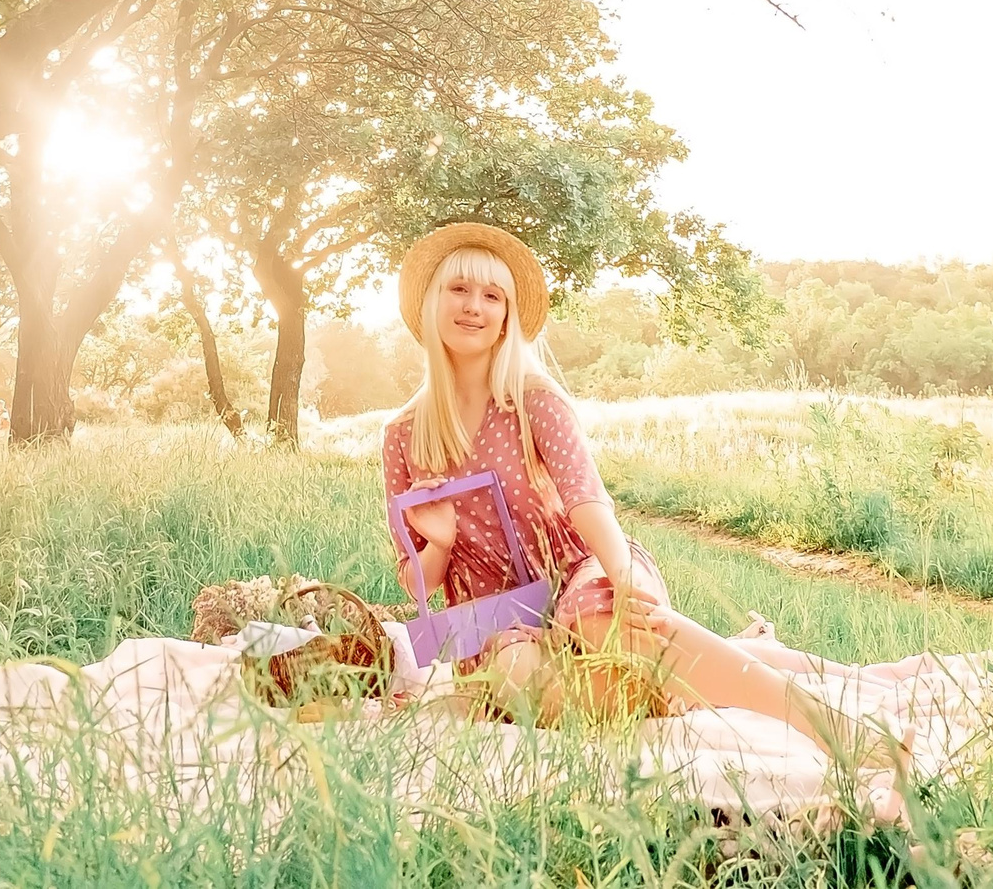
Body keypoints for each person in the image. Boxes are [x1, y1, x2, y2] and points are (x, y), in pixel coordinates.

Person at [381, 222, 912, 770]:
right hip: (490, 618)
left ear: (507, 318)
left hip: (578, 568)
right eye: (459, 290)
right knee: (532, 687)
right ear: (431, 301)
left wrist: (621, 572)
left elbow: (585, 498)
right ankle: (719, 663)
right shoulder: (402, 435)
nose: (474, 307)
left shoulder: (533, 400)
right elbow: (412, 577)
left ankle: (824, 723)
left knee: (601, 621)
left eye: (492, 296)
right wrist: (439, 543)